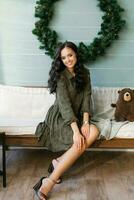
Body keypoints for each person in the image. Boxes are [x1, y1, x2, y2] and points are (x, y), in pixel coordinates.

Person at [33, 41, 99, 200]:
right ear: (60, 60)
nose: (68, 60)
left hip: (77, 116)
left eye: (70, 55)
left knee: (94, 131)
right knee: (81, 139)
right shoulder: (60, 77)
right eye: (64, 58)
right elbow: (65, 107)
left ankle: (58, 162)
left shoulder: (85, 72)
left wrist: (85, 122)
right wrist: (76, 131)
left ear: (75, 54)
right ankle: (49, 181)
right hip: (60, 117)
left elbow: (86, 99)